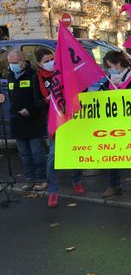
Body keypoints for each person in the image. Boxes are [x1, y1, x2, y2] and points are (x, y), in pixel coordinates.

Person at [33, 48, 84, 207]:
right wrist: (47, 100)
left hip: (71, 117)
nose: (50, 63)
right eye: (46, 61)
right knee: (53, 156)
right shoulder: (37, 79)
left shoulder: (63, 72)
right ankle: (53, 191)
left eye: (52, 59)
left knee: (75, 150)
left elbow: (79, 88)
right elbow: (36, 102)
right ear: (39, 64)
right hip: (53, 120)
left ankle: (76, 180)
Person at [99, 51, 131, 200]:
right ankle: (114, 185)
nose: (110, 70)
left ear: (119, 63)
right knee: (112, 154)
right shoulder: (109, 80)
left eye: (111, 66)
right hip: (114, 124)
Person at [6, 50, 47, 192]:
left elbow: (39, 99)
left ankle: (41, 179)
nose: (12, 66)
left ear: (23, 61)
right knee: (24, 154)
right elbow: (12, 98)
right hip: (17, 121)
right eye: (10, 63)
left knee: (37, 153)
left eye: (15, 63)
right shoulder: (10, 75)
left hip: (33, 120)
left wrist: (29, 110)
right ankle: (30, 179)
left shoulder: (33, 75)